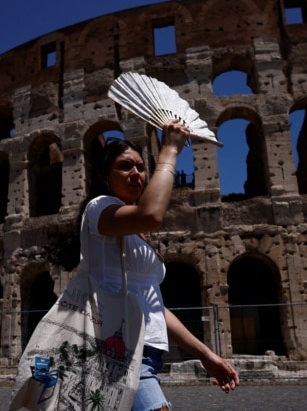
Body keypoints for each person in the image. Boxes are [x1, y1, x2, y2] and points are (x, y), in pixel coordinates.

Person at [76, 120, 239, 411]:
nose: (136, 173)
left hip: (147, 353)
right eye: (125, 166)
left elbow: (154, 306)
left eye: (141, 167)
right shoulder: (98, 209)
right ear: (103, 175)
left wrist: (205, 354)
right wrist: (170, 150)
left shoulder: (132, 232)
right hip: (120, 349)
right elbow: (151, 213)